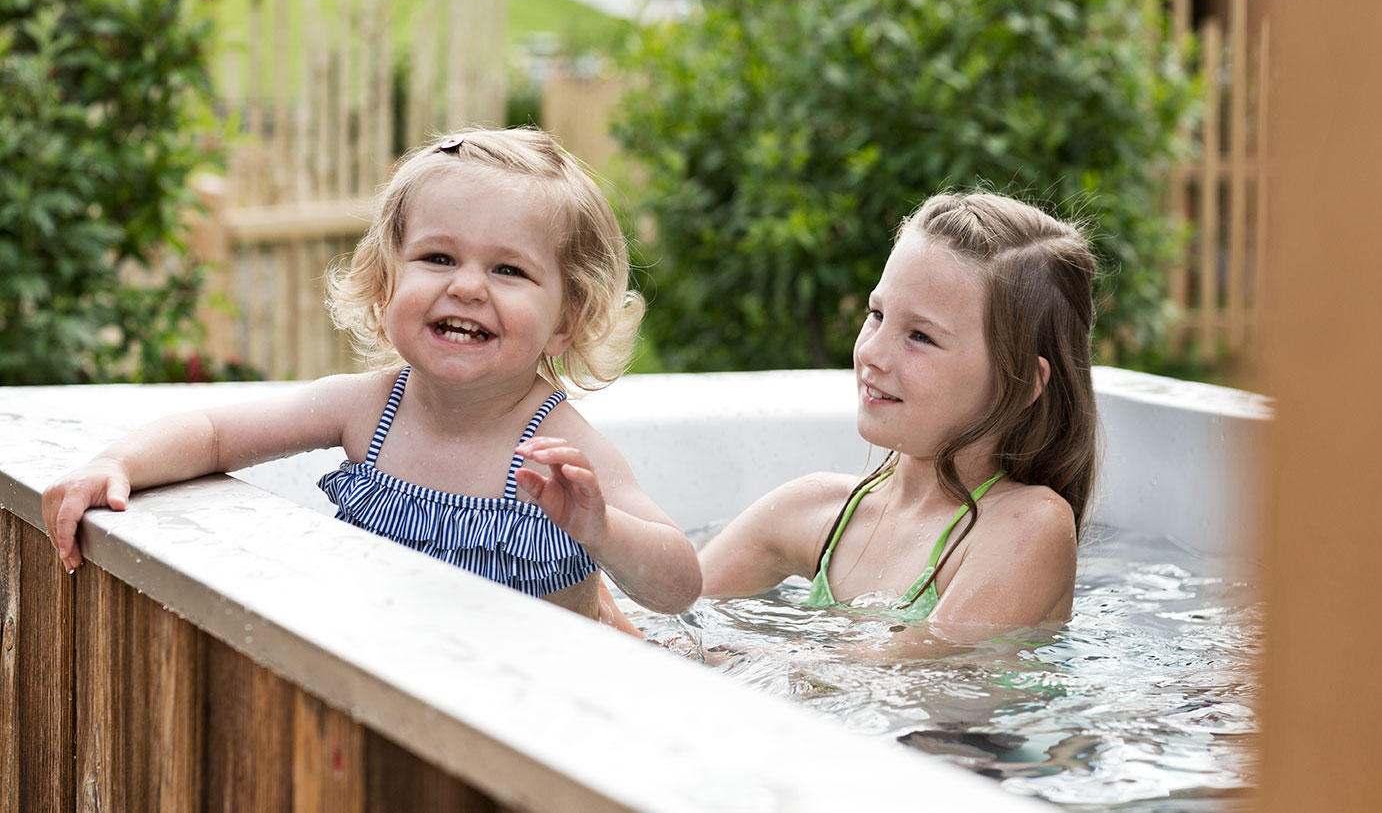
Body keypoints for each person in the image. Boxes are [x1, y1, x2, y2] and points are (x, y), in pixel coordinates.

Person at [42, 126, 701, 622]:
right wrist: (117, 460)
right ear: (386, 289)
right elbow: (214, 433)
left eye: (509, 270)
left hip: (552, 697)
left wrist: (601, 530)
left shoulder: (559, 446)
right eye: (437, 257)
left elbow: (679, 585)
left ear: (566, 320)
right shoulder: (367, 410)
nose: (467, 286)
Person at [696, 192, 1099, 651]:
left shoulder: (1029, 526)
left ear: (1022, 379)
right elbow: (672, 611)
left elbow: (897, 681)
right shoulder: (819, 511)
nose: (870, 353)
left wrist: (726, 658)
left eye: (920, 336)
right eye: (877, 315)